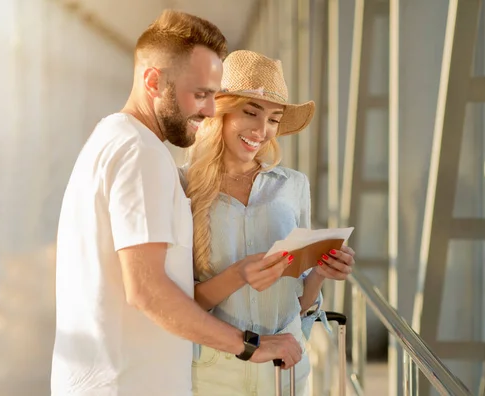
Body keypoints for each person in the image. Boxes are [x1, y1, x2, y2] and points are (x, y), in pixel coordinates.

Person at [51, 11, 302, 396]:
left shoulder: (111, 138)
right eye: (200, 94)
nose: (207, 110)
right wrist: (249, 345)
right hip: (129, 385)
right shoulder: (141, 153)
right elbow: (147, 289)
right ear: (153, 81)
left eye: (213, 96)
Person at [183, 50, 356, 396]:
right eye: (251, 112)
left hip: (286, 372)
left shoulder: (293, 186)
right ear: (221, 110)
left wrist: (322, 271)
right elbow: (180, 305)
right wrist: (238, 276)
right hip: (215, 375)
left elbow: (300, 302)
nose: (263, 131)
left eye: (274, 119)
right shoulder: (185, 190)